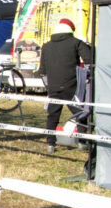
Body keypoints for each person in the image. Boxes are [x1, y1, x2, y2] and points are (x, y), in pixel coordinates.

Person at [37, 18, 94, 154]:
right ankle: (81, 142)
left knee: (52, 115)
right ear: (70, 31)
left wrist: (49, 88)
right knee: (80, 113)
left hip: (54, 87)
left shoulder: (46, 46)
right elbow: (89, 59)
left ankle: (50, 144)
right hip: (72, 85)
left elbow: (42, 71)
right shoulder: (76, 43)